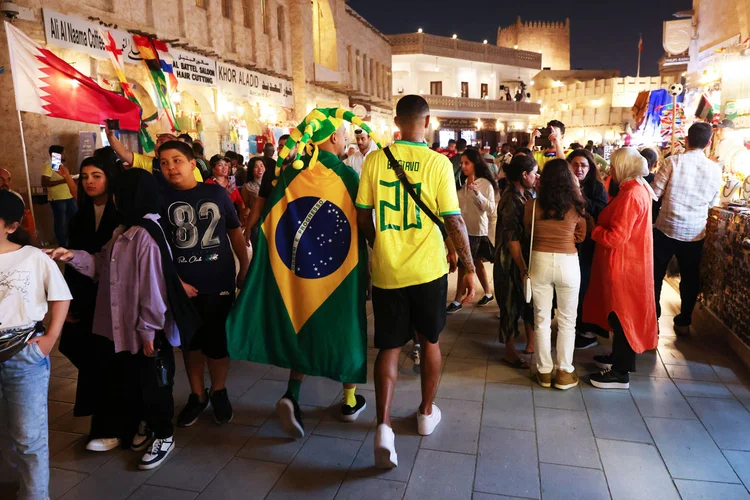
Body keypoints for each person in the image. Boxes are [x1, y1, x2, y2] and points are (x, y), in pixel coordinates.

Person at [228, 108, 377, 438]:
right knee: (346, 330)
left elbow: (270, 221)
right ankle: (350, 401)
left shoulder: (290, 176)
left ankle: (292, 395)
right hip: (341, 272)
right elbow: (363, 223)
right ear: (336, 138)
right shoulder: (349, 177)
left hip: (298, 271)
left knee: (302, 326)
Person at [48, 168, 200, 470]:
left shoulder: (145, 235)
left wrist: (148, 332)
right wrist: (71, 256)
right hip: (122, 326)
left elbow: (154, 290)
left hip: (144, 330)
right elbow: (101, 266)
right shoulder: (124, 232)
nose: (114, 198)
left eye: (117, 192)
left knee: (156, 383)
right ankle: (143, 425)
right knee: (135, 381)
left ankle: (163, 435)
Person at [356, 95, 477, 469]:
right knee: (430, 340)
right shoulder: (439, 163)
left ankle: (383, 427)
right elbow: (454, 220)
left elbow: (362, 218)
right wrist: (470, 268)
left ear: (396, 121)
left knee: (389, 348)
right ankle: (425, 413)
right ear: (428, 122)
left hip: (389, 271)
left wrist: (382, 247)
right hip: (427, 271)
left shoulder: (375, 159)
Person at [157, 141, 250, 427]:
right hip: (183, 284)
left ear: (192, 163)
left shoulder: (215, 193)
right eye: (163, 163)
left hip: (218, 279)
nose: (171, 167)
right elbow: (159, 247)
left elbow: (235, 232)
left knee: (218, 342)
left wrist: (243, 267)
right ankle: (197, 394)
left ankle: (218, 390)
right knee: (191, 343)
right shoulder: (160, 198)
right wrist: (174, 281)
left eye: (176, 160)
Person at [0, 190, 71, 499]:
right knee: (5, 433)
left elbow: (61, 296)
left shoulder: (32, 257)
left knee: (29, 435)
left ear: (11, 226)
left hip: (24, 353)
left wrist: (49, 339)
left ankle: (34, 495)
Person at [57, 155, 126, 453]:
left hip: (113, 299)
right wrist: (69, 302)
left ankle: (111, 425)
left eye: (96, 176)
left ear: (109, 178)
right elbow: (72, 259)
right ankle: (105, 421)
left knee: (108, 360)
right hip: (85, 297)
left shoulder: (122, 214)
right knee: (85, 354)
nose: (89, 182)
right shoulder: (79, 215)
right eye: (84, 177)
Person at [584, 147, 659, 389]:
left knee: (622, 316)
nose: (611, 171)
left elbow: (616, 237)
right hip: (631, 262)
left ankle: (620, 372)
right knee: (621, 315)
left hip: (625, 265)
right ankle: (618, 359)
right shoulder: (638, 188)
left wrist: (593, 229)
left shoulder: (631, 195)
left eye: (614, 166)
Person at [525, 159, 590, 389]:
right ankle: (564, 372)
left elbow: (527, 229)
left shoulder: (532, 205)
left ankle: (543, 372)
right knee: (567, 321)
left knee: (541, 319)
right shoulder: (576, 206)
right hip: (568, 263)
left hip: (539, 261)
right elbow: (582, 234)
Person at [652, 122, 722, 336]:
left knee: (655, 275)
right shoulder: (715, 169)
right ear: (709, 143)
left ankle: (652, 318)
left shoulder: (672, 162)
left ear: (686, 140)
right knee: (690, 277)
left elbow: (655, 193)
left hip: (665, 228)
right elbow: (712, 203)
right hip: (694, 232)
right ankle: (684, 320)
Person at [494, 154, 539, 368]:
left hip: (520, 256)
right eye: (534, 173)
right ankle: (510, 351)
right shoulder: (510, 199)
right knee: (510, 305)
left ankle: (531, 344)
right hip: (509, 259)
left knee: (526, 301)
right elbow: (511, 238)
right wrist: (522, 267)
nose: (536, 176)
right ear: (524, 175)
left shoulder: (526, 194)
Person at [566, 150, 609, 350]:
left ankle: (588, 330)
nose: (579, 169)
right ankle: (574, 325)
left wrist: (579, 192)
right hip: (568, 242)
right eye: (575, 164)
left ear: (590, 167)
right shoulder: (564, 184)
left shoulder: (596, 187)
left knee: (585, 285)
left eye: (583, 165)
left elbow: (600, 212)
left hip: (588, 245)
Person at [446, 148, 497, 313]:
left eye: (467, 163)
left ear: (476, 163)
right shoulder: (460, 183)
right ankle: (488, 293)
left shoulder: (485, 184)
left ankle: (457, 299)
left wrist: (477, 194)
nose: (464, 166)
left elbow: (491, 209)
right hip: (462, 229)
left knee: (464, 264)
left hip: (477, 230)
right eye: (462, 163)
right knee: (475, 262)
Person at [243, 135, 296, 245]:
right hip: (273, 223)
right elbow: (260, 201)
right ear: (278, 149)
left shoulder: (302, 172)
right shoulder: (270, 172)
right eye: (281, 146)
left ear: (296, 148)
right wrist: (248, 228)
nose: (285, 149)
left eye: (289, 146)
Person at [105, 127, 203, 185]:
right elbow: (123, 153)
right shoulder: (150, 163)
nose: (157, 146)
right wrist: (110, 136)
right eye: (157, 142)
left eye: (162, 142)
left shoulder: (190, 166)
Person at [42, 145, 78, 246]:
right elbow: (44, 182)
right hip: (58, 199)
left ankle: (74, 242)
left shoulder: (59, 165)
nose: (65, 155)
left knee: (74, 220)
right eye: (63, 153)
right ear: (58, 154)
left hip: (69, 197)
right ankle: (63, 245)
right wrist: (65, 179)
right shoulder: (48, 165)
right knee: (61, 223)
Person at [206, 154, 249, 224]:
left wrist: (244, 214)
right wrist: (225, 193)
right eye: (220, 165)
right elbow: (211, 205)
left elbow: (239, 200)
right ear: (213, 169)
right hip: (217, 220)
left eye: (226, 165)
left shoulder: (230, 182)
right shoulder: (209, 184)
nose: (224, 167)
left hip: (231, 217)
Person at [240, 157, 266, 252]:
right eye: (256, 167)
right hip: (256, 223)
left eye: (262, 165)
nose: (260, 169)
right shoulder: (247, 187)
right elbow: (248, 206)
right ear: (251, 169)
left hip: (269, 221)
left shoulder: (272, 183)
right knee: (258, 252)